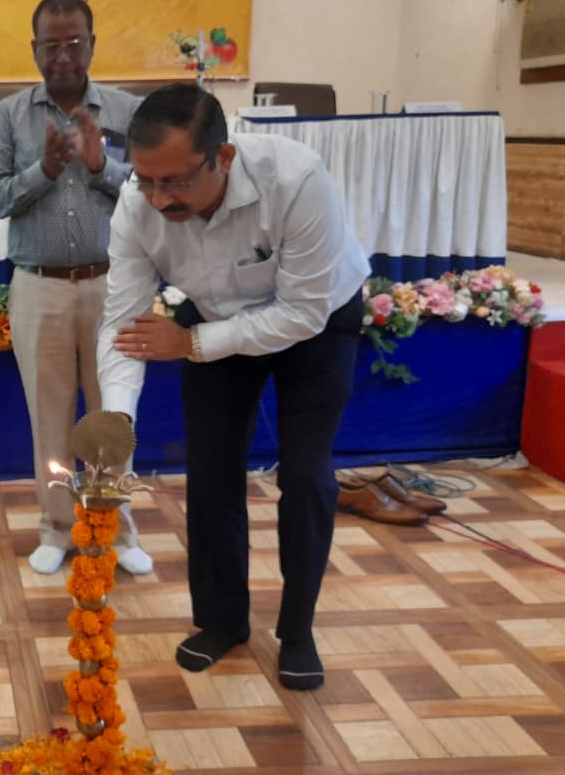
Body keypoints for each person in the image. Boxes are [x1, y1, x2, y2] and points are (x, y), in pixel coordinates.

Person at [97, 85, 368, 691]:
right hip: (215, 317)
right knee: (211, 471)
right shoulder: (137, 205)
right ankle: (222, 622)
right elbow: (122, 323)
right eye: (146, 180)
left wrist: (191, 343)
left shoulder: (295, 179)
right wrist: (116, 422)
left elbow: (302, 313)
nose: (159, 199)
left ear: (223, 157)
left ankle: (297, 631)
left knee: (306, 475)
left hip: (317, 321)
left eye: (175, 182)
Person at [0, 0, 151, 577]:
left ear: (92, 45)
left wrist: (102, 165)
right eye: (50, 46)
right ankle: (58, 527)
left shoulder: (128, 112)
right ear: (34, 49)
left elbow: (154, 190)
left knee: (112, 416)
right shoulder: (8, 116)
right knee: (49, 416)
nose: (62, 57)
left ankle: (117, 530)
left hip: (113, 286)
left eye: (74, 44)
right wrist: (45, 170)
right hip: (40, 286)